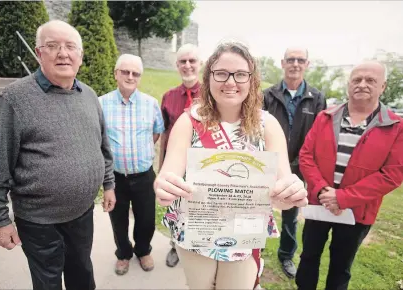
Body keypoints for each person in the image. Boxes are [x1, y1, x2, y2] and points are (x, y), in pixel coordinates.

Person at [154, 41, 308, 290]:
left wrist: (289, 192)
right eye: (221, 73)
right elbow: (169, 171)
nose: (230, 82)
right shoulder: (189, 121)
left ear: (252, 80)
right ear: (209, 76)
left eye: (240, 74)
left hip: (244, 234)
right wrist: (164, 186)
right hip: (197, 230)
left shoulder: (267, 126)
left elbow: (282, 186)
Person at [0, 20, 116, 290]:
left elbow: (102, 146)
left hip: (82, 213)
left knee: (82, 272)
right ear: (38, 52)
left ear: (80, 56)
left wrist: (109, 184)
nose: (62, 53)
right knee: (48, 283)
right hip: (38, 221)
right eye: (52, 46)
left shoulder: (89, 96)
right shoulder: (15, 99)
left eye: (70, 46)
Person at [296, 60, 403, 290]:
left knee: (341, 265)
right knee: (308, 257)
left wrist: (343, 198)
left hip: (358, 211)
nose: (362, 84)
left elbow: (392, 174)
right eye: (357, 79)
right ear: (349, 84)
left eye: (370, 80)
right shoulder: (325, 117)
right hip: (319, 203)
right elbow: (306, 156)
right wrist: (324, 191)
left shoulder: (395, 126)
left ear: (382, 86)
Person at [263, 47, 326, 278]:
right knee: (260, 209)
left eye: (301, 60)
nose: (295, 64)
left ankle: (286, 255)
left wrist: (301, 167)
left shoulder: (317, 97)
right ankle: (253, 247)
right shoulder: (267, 95)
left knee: (291, 215)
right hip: (268, 165)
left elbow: (319, 135)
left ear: (307, 64)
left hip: (299, 168)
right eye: (291, 59)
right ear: (283, 63)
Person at [99, 54, 165, 275]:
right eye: (125, 72)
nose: (130, 76)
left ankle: (143, 250)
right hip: (115, 177)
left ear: (140, 77)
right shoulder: (101, 103)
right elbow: (98, 137)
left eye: (135, 73)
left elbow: (156, 133)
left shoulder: (150, 104)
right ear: (116, 73)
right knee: (118, 221)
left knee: (146, 220)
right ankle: (124, 254)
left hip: (144, 175)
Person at [159, 43, 202, 267]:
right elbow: (165, 135)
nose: (187, 66)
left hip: (203, 166)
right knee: (176, 208)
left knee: (200, 208)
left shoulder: (211, 96)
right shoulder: (169, 97)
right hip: (176, 166)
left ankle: (198, 248)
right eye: (183, 62)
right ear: (177, 66)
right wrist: (162, 168)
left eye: (192, 61)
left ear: (200, 64)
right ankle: (175, 246)